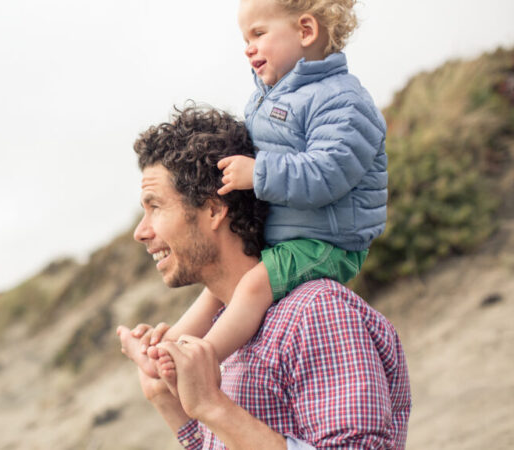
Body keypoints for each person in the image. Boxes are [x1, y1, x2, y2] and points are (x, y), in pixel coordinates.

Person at [120, 0, 388, 388]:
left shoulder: (343, 100)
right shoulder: (268, 98)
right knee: (218, 293)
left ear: (306, 31)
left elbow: (329, 173)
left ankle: (206, 358)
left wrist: (258, 172)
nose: (248, 47)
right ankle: (167, 347)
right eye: (245, 38)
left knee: (253, 286)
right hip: (291, 231)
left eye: (259, 34)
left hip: (328, 239)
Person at [117, 105, 409, 448]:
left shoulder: (316, 312)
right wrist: (166, 399)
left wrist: (214, 406)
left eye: (155, 206)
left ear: (213, 209)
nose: (140, 231)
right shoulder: (223, 329)